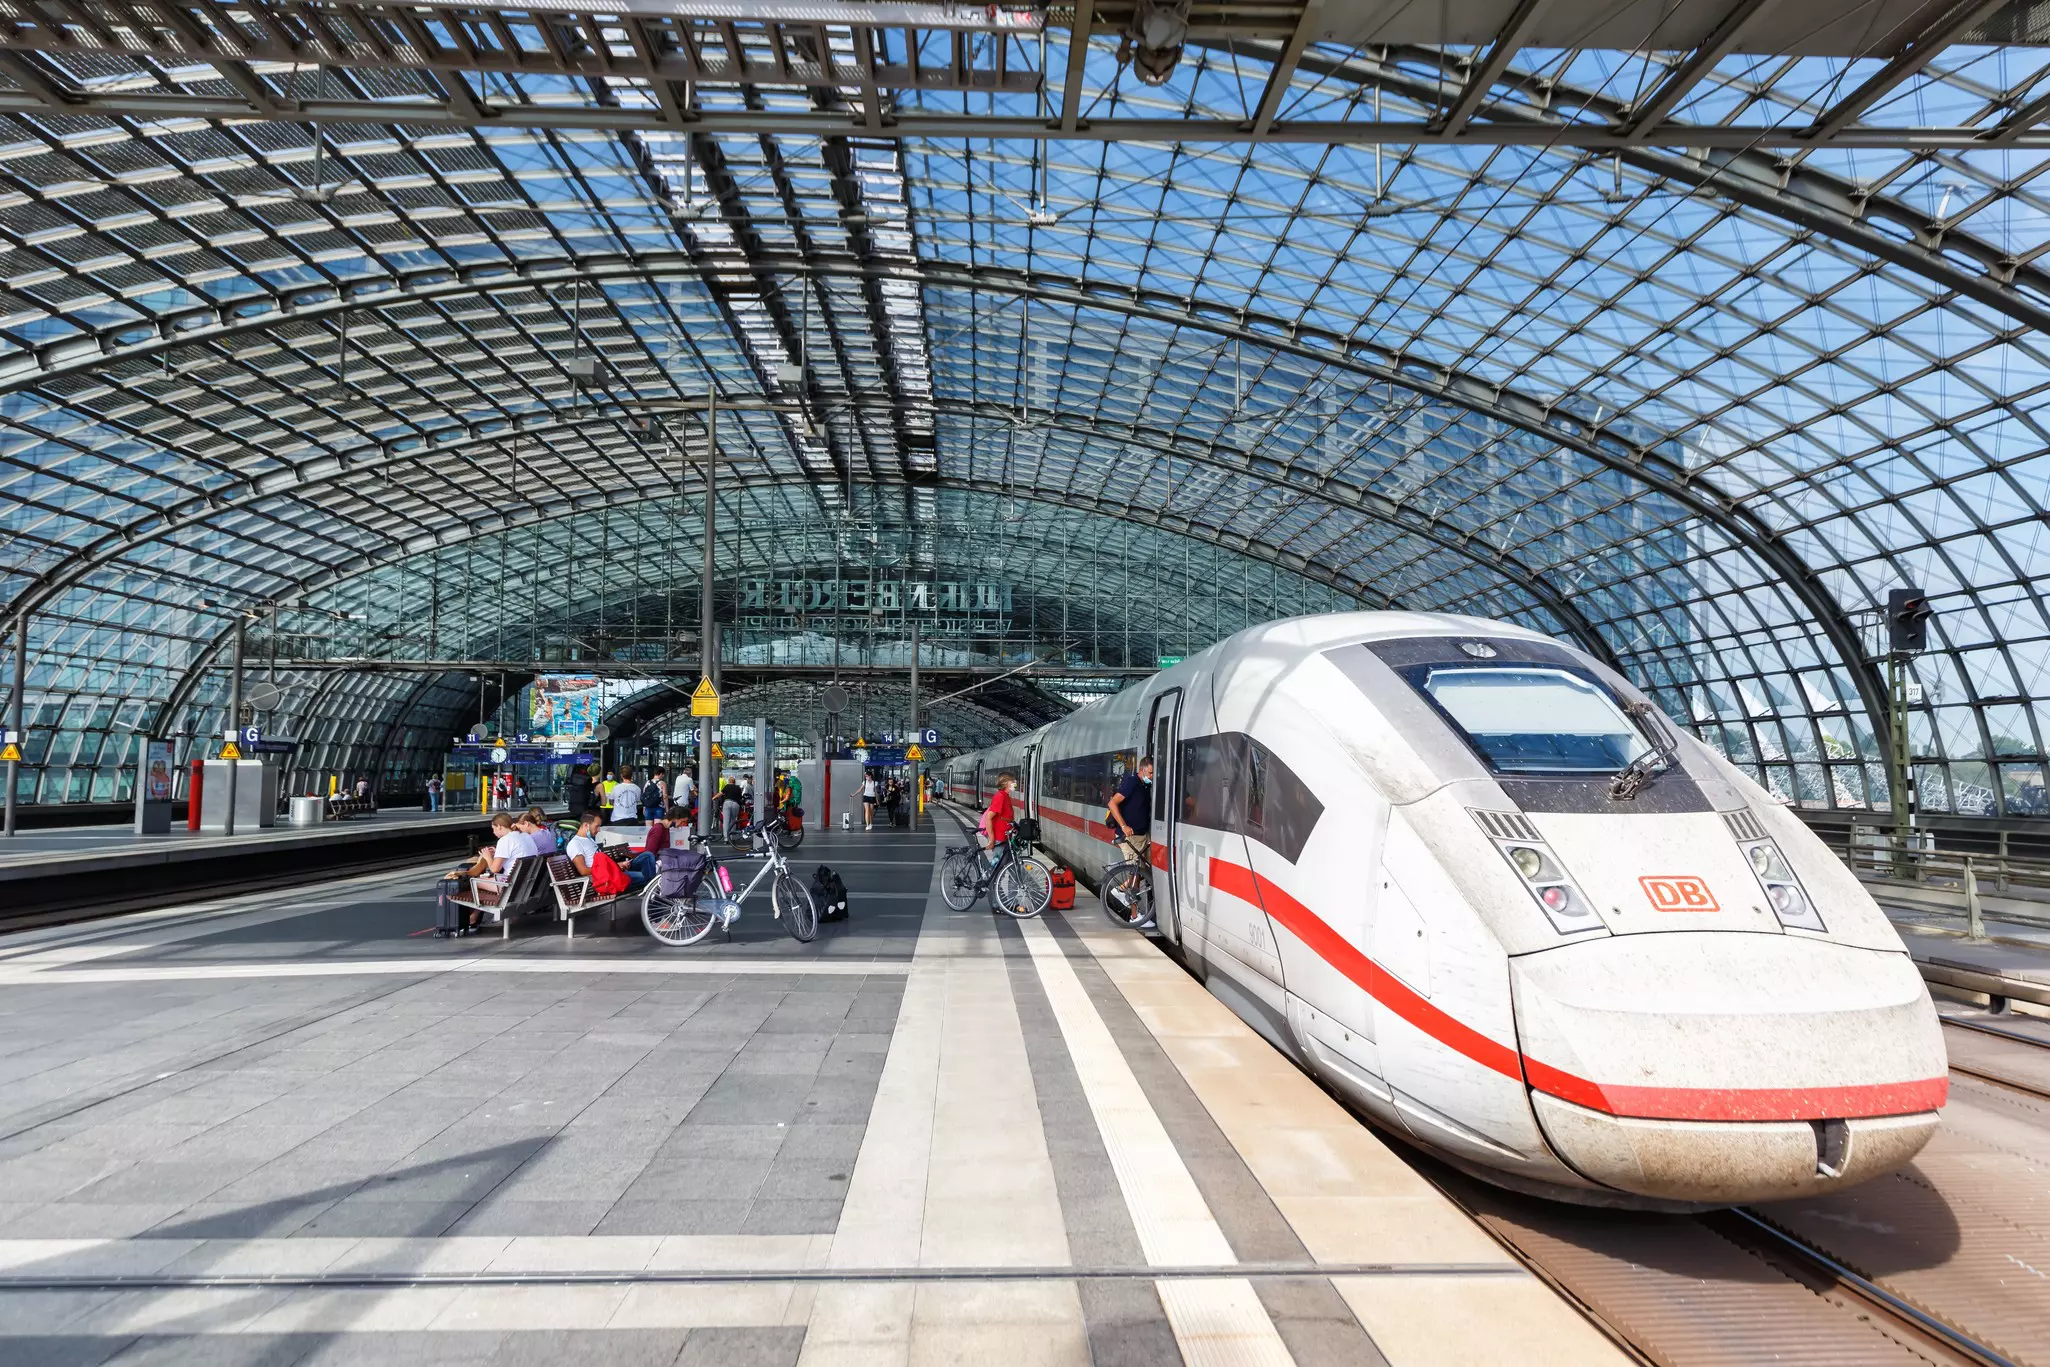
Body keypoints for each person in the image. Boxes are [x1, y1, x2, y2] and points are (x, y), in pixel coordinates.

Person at [1109, 755, 1154, 868]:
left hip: (1142, 835)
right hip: (1129, 836)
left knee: (1142, 872)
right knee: (1135, 874)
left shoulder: (1146, 785)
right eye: (1150, 773)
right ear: (1141, 770)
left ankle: (1126, 886)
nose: (1152, 776)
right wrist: (1124, 826)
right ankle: (1116, 887)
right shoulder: (1132, 783)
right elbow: (1112, 803)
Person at [982, 773, 1017, 870]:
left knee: (1012, 866)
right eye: (1012, 781)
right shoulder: (1000, 796)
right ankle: (990, 883)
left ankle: (1015, 885)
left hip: (1006, 837)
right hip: (999, 838)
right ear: (1006, 783)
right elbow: (988, 818)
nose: (1015, 783)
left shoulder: (1006, 796)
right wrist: (992, 838)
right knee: (997, 867)